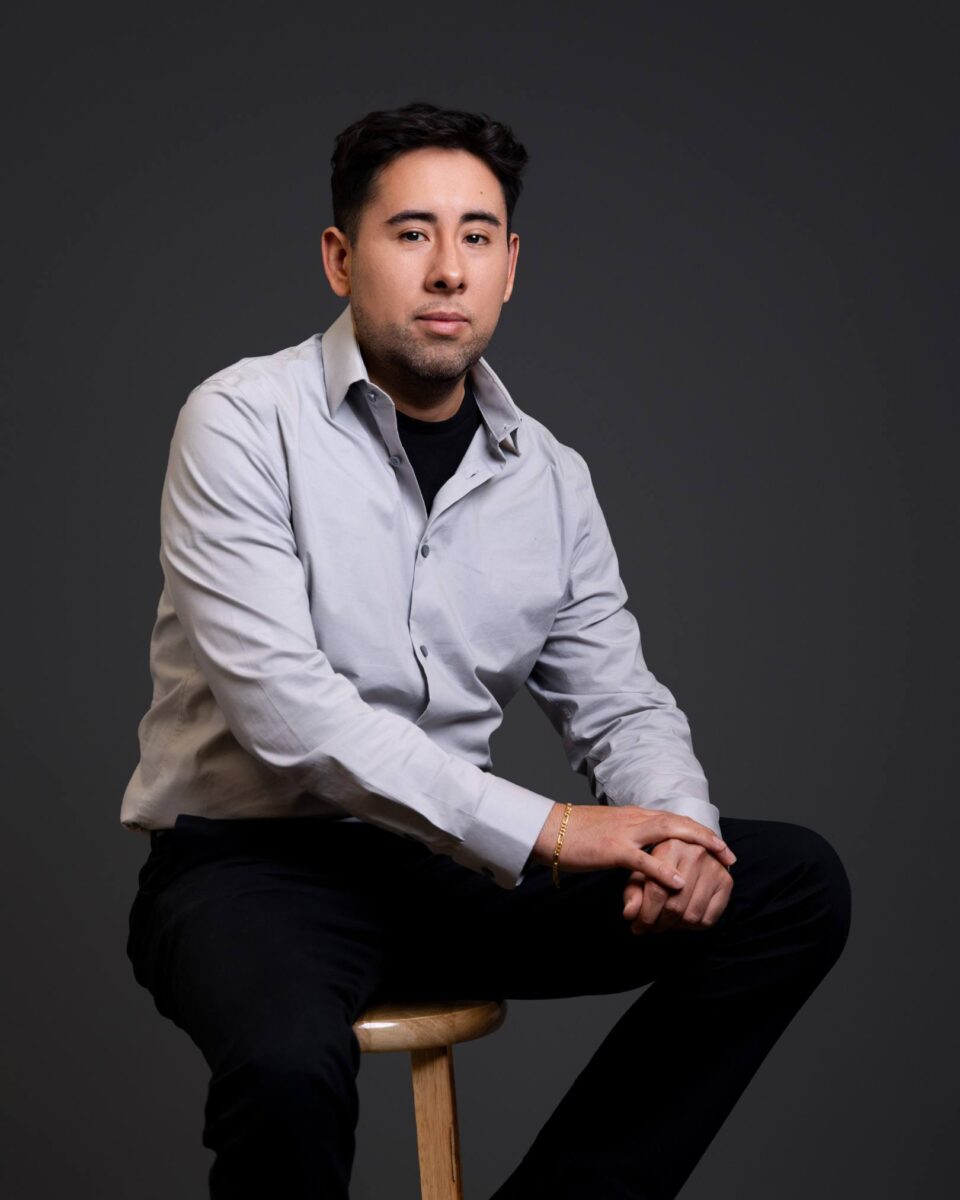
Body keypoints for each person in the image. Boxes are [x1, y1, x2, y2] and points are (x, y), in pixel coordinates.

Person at [122, 100, 852, 1200]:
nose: (447, 270)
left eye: (476, 236)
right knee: (287, 1072)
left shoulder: (549, 478)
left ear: (511, 266)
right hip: (252, 871)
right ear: (340, 258)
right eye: (411, 233)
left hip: (449, 874)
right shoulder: (240, 421)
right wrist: (554, 829)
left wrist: (681, 834)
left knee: (790, 885)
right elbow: (289, 715)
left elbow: (619, 705)